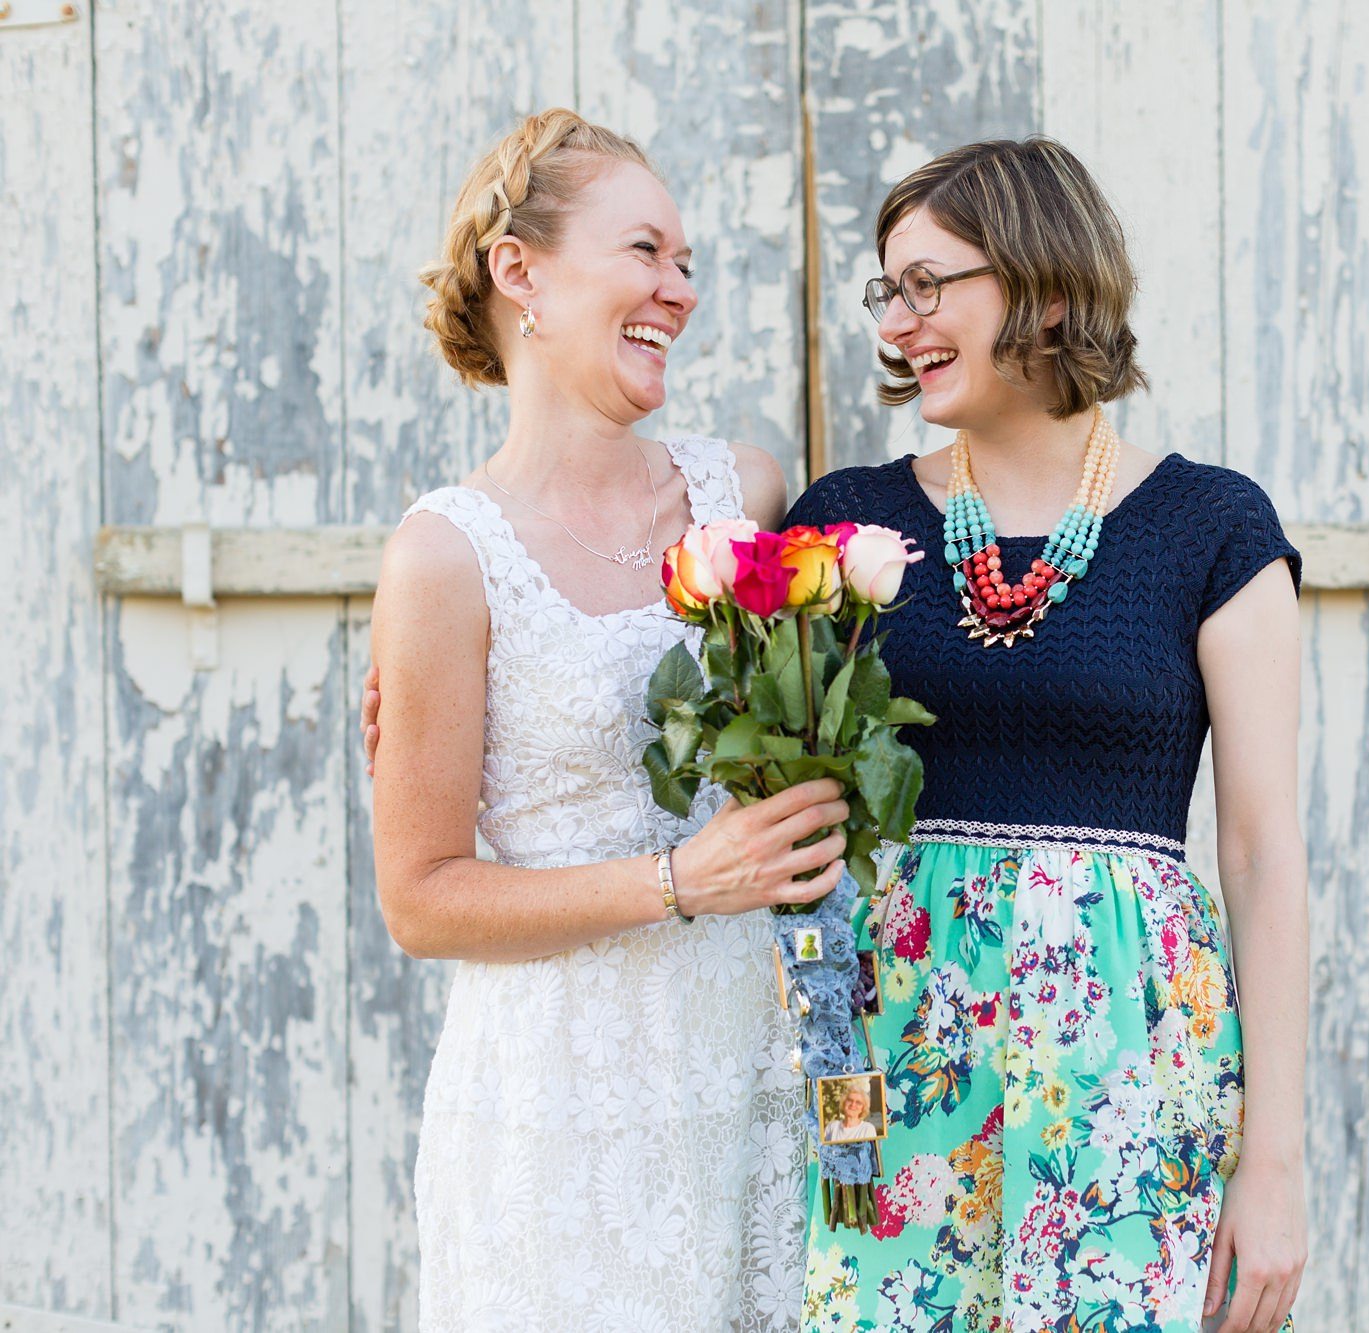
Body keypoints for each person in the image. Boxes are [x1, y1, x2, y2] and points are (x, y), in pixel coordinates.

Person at [785, 138, 1307, 1333]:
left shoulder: (1210, 528)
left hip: (1127, 1067)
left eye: (931, 284)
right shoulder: (846, 524)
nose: (900, 321)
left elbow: (1265, 855)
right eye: (889, 290)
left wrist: (1271, 1163)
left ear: (1049, 288)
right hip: (898, 1058)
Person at [368, 108, 848, 1331]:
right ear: (519, 271)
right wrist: (680, 878)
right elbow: (421, 897)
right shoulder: (443, 556)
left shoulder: (742, 493)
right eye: (644, 251)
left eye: (686, 264)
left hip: (751, 1081)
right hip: (551, 1118)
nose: (676, 290)